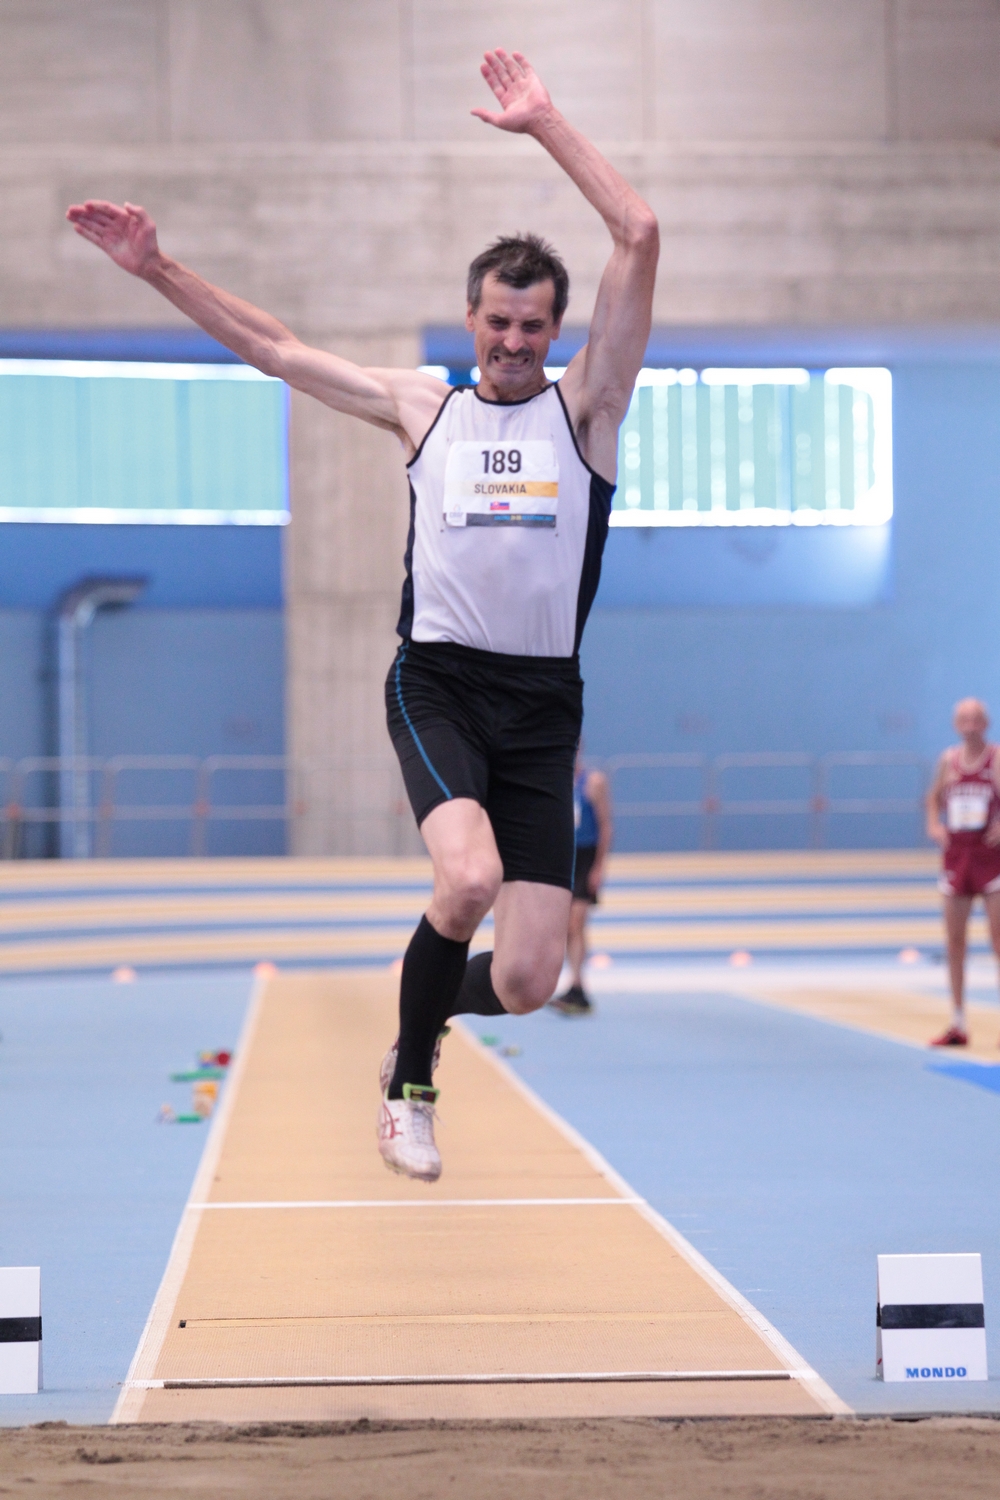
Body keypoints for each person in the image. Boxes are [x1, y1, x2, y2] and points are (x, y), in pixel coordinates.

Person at [66, 48, 658, 1182]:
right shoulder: (421, 409)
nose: (514, 342)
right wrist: (157, 268)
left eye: (534, 326)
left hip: (544, 706)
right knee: (467, 880)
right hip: (437, 683)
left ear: (556, 331)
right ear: (471, 317)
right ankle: (410, 1085)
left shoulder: (588, 410)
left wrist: (546, 124)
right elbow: (273, 349)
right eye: (498, 321)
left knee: (530, 977)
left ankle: (419, 1014)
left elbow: (638, 234)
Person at [926, 698, 1000, 1046]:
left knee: (998, 940)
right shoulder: (948, 760)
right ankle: (958, 1020)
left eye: (975, 718)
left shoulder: (995, 758)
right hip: (957, 858)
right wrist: (933, 825)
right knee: (955, 941)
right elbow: (932, 798)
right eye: (963, 719)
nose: (970, 725)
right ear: (956, 724)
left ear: (985, 723)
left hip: (991, 858)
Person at [550, 748, 612, 1014]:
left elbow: (605, 826)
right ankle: (574, 985)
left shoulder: (593, 782)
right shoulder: (556, 782)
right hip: (562, 858)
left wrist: (599, 867)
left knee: (576, 923)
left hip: (585, 858)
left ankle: (578, 985)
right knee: (566, 927)